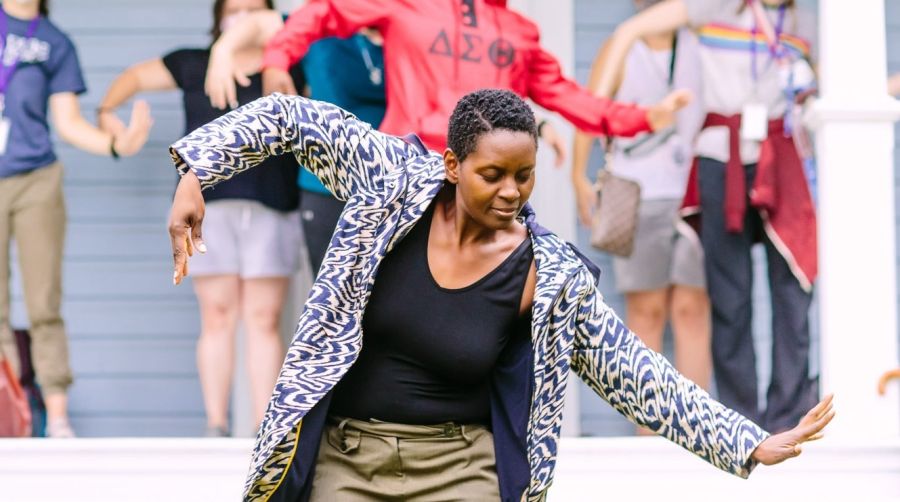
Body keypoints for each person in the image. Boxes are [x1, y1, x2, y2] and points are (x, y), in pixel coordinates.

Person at [167, 89, 834, 501]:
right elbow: (290, 120)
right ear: (453, 165)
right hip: (349, 463)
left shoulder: (549, 276)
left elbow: (633, 373)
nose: (512, 192)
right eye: (493, 174)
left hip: (463, 474)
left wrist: (744, 442)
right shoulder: (390, 182)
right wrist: (199, 170)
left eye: (524, 175)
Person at [595, 0, 819, 433]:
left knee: (792, 287)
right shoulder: (713, 8)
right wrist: (601, 107)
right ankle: (742, 422)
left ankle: (789, 416)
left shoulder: (805, 21)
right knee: (730, 294)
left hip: (783, 155)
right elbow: (630, 32)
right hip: (721, 153)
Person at [96, 0, 304, 436]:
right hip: (208, 209)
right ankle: (216, 425)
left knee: (264, 321)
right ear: (218, 16)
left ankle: (261, 434)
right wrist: (106, 115)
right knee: (217, 315)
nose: (243, 15)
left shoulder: (289, 68)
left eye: (253, 7)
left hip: (274, 203)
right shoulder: (194, 63)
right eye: (235, 8)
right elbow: (133, 78)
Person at [203, 0, 692, 156]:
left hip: (486, 183)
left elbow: (571, 98)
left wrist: (646, 116)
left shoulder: (518, 32)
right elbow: (324, 12)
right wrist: (275, 60)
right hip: (407, 170)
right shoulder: (405, 3)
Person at [0, 0, 151, 438]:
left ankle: (57, 416)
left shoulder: (54, 41)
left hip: (37, 179)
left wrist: (116, 145)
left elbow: (68, 123)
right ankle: (9, 417)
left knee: (43, 300)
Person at [572, 0, 711, 418]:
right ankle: (649, 433)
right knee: (646, 313)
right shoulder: (622, 43)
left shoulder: (697, 42)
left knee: (692, 308)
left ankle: (699, 427)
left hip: (692, 195)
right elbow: (590, 111)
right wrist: (578, 175)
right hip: (638, 194)